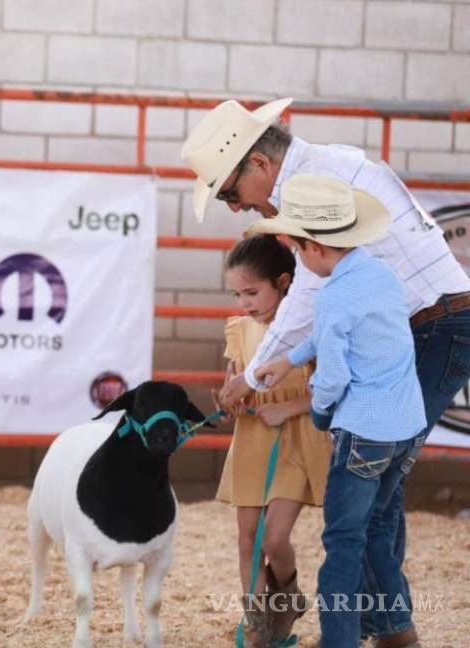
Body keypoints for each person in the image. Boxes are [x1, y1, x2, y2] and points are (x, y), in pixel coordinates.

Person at [182, 98, 470, 648]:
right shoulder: (332, 164)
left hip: (436, 327)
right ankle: (380, 627)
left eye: (228, 192)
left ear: (260, 166)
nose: (236, 207)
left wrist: (258, 375)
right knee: (377, 500)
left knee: (366, 508)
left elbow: (316, 300)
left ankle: (384, 633)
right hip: (434, 325)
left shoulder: (309, 195)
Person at [250, 174, 427, 648]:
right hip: (406, 428)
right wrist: (285, 358)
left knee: (343, 546)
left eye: (298, 249)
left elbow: (331, 378)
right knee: (378, 531)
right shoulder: (379, 275)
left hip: (363, 432)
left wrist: (323, 416)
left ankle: (339, 641)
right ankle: (398, 633)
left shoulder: (332, 296)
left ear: (314, 249)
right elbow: (342, 330)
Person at [215, 235, 330, 646]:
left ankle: (287, 595)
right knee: (248, 537)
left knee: (275, 537)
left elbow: (329, 388)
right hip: (253, 438)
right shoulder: (240, 329)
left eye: (252, 292)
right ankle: (258, 623)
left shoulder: (309, 326)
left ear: (284, 282)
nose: (244, 303)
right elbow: (235, 379)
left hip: (298, 438)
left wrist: (289, 407)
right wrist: (231, 399)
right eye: (237, 294)